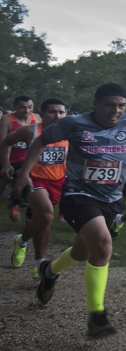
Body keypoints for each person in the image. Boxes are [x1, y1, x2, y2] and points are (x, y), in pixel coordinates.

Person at [32, 83, 126, 338]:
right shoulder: (75, 123)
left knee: (82, 252)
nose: (116, 110)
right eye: (109, 105)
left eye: (121, 106)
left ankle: (49, 271)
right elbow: (40, 140)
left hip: (113, 199)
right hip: (78, 195)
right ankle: (97, 315)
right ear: (96, 103)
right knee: (102, 245)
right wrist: (23, 175)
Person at [7, 98, 69, 276]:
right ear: (41, 114)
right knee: (47, 215)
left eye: (61, 112)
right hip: (33, 179)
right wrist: (6, 164)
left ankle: (22, 241)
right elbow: (6, 142)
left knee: (42, 220)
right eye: (52, 112)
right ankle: (39, 262)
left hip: (57, 180)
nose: (57, 116)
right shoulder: (30, 130)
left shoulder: (70, 133)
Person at [0, 95, 38, 221]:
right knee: (4, 181)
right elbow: (3, 143)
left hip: (24, 160)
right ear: (14, 107)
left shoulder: (36, 118)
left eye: (30, 107)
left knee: (24, 180)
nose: (26, 111)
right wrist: (6, 164)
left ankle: (15, 204)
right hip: (5, 158)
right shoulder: (6, 119)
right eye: (22, 108)